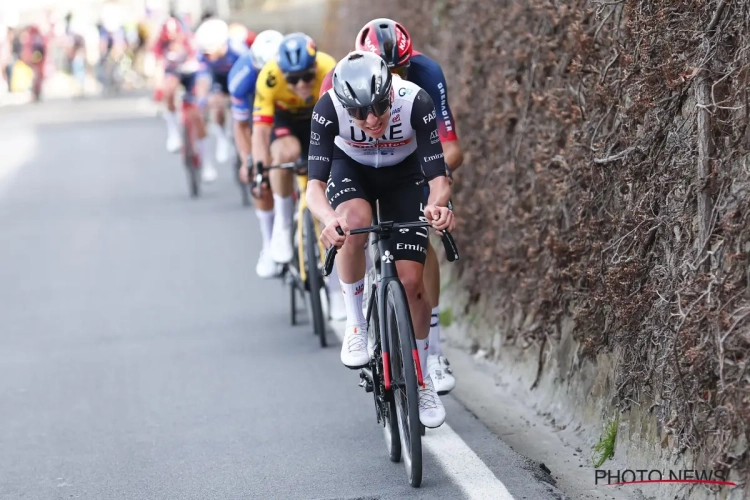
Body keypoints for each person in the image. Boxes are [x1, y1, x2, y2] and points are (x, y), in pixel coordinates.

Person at [306, 50, 454, 428]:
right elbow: (314, 189)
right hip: (351, 168)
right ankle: (356, 325)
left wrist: (438, 207)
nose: (372, 119)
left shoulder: (415, 101)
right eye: (359, 112)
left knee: (411, 283)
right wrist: (327, 220)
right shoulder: (327, 108)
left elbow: (439, 178)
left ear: (391, 90)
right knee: (352, 223)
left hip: (403, 174)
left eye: (379, 106)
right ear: (343, 104)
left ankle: (421, 380)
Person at [244, 32, 336, 267]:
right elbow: (261, 131)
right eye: (293, 80)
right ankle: (283, 224)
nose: (302, 84)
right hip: (286, 122)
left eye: (307, 76)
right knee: (284, 154)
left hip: (320, 116)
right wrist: (259, 168)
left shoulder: (329, 67)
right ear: (282, 74)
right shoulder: (269, 77)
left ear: (315, 65)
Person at [228, 29, 284, 278]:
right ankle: (268, 241)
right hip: (258, 116)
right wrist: (246, 159)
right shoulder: (242, 78)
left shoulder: (296, 67)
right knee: (258, 176)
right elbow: (241, 125)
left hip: (288, 113)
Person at [193, 18, 246, 181]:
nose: (208, 56)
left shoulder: (238, 50)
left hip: (239, 78)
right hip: (219, 82)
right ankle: (222, 137)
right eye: (205, 53)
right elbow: (202, 78)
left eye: (211, 52)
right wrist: (202, 100)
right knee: (216, 104)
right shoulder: (204, 55)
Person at [152, 16, 198, 154]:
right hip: (173, 73)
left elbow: (200, 62)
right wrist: (159, 87)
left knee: (198, 112)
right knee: (168, 90)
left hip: (190, 74)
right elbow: (158, 65)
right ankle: (173, 133)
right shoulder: (160, 44)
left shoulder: (189, 40)